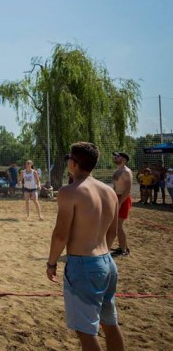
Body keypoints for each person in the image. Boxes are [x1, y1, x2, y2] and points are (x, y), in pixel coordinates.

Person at [47, 142, 124, 351]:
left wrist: (51, 263)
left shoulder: (70, 191)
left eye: (68, 159)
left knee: (86, 332)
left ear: (73, 163)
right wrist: (100, 256)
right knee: (110, 323)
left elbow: (60, 235)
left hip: (83, 264)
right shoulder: (109, 191)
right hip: (107, 262)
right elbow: (113, 232)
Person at [111, 151, 133, 257]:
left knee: (119, 225)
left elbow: (127, 190)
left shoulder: (126, 171)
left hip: (123, 199)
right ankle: (123, 246)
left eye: (117, 156)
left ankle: (123, 250)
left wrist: (120, 202)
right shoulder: (118, 170)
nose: (115, 157)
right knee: (116, 225)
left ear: (124, 159)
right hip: (117, 198)